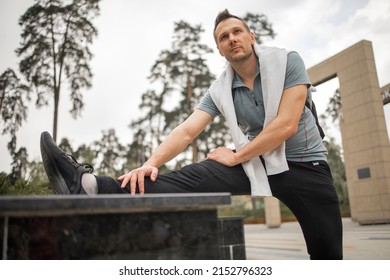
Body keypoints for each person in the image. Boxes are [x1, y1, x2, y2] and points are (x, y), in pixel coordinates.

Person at [40, 9, 343, 260]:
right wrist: (151, 162)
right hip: (259, 164)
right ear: (219, 48)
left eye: (237, 32)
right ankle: (93, 186)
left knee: (327, 256)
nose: (232, 39)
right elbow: (186, 131)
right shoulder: (220, 88)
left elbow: (286, 124)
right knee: (185, 178)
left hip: (307, 167)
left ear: (251, 37)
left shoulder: (288, 60)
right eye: (224, 37)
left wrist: (237, 155)